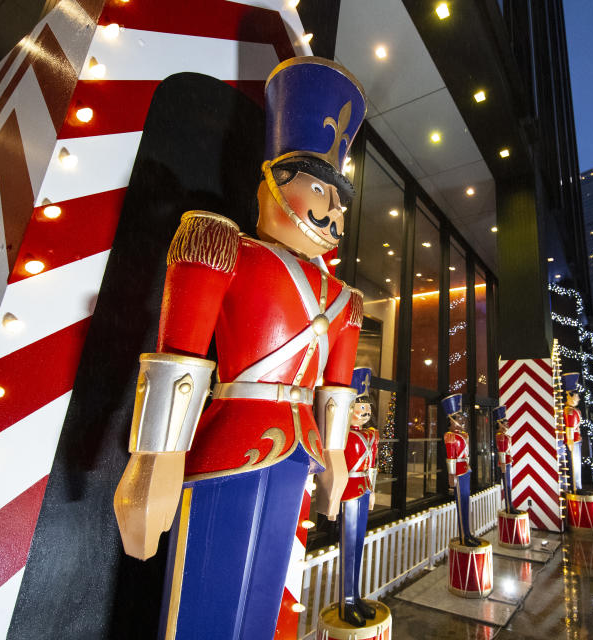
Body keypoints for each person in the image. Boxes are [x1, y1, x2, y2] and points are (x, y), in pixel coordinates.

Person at [111, 56, 367, 640]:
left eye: (340, 197)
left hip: (301, 451)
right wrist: (155, 460)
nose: (336, 210)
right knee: (205, 602)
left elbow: (337, 386)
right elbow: (181, 357)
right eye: (321, 189)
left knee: (273, 604)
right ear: (273, 178)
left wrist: (333, 454)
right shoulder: (219, 242)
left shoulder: (346, 299)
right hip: (227, 446)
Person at [338, 367, 379, 626]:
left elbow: (372, 465)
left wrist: (373, 490)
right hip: (348, 491)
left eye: (368, 408)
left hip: (363, 490)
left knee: (359, 545)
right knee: (349, 547)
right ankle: (346, 602)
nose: (365, 413)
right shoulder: (342, 434)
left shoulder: (372, 435)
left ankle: (356, 596)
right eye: (360, 407)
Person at [443, 394, 480, 547]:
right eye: (457, 417)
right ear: (450, 420)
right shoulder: (450, 436)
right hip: (458, 472)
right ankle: (464, 537)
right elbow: (450, 458)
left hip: (466, 470)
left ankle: (468, 533)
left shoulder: (463, 435)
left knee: (466, 502)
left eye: (460, 417)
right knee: (461, 503)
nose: (461, 420)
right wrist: (451, 477)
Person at [493, 405, 520, 514]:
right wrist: (503, 464)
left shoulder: (504, 435)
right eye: (504, 423)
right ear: (499, 424)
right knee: (507, 485)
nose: (507, 424)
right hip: (505, 464)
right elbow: (501, 452)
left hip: (508, 462)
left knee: (509, 484)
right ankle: (509, 507)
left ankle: (510, 505)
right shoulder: (500, 436)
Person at [563, 371, 584, 493]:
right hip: (573, 441)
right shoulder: (569, 411)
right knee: (574, 465)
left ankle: (577, 486)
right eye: (576, 395)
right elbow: (569, 428)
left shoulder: (573, 410)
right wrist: (570, 441)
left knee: (577, 465)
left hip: (576, 440)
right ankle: (575, 487)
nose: (578, 398)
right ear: (570, 396)